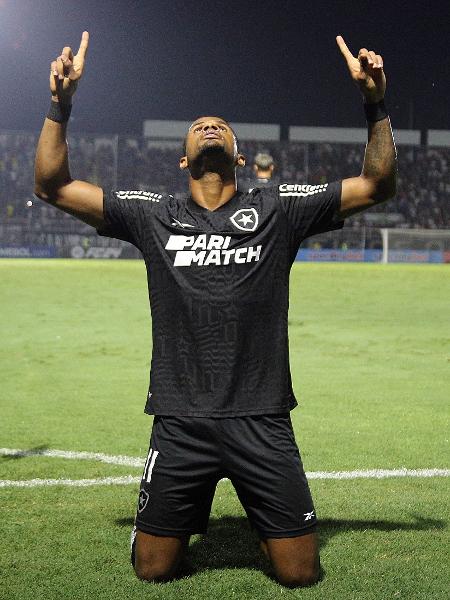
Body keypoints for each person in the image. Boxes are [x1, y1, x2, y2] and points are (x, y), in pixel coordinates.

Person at [34, 32, 397, 588]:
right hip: (181, 418)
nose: (211, 126)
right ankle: (165, 521)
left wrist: (375, 105)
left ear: (239, 156)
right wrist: (61, 104)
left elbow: (377, 183)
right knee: (153, 571)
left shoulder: (279, 208)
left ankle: (263, 515)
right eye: (200, 125)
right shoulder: (151, 213)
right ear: (183, 157)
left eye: (222, 126)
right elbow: (51, 185)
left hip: (263, 415)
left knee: (299, 574)